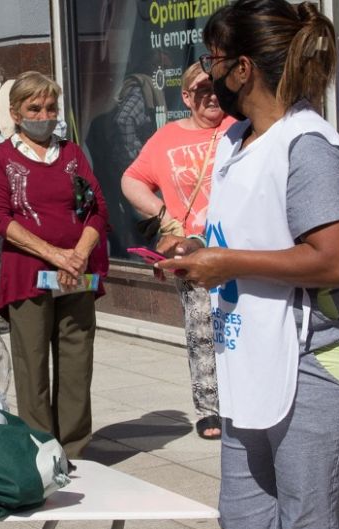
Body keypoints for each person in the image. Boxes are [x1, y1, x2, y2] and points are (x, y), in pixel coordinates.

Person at [156, 1, 339, 529]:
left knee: (308, 520)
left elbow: (336, 261)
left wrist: (226, 263)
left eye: (213, 59)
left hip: (324, 357)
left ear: (242, 68)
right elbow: (255, 232)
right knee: (243, 517)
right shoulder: (235, 140)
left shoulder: (307, 147)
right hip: (255, 352)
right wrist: (197, 248)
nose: (208, 73)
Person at [0, 71, 108, 459]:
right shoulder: (0, 157)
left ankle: (74, 449)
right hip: (28, 275)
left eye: (51, 108)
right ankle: (41, 449)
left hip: (77, 274)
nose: (44, 115)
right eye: (34, 108)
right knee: (32, 365)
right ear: (16, 113)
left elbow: (98, 209)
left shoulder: (72, 154)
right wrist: (56, 255)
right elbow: (0, 218)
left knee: (76, 363)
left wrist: (78, 255)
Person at [121, 63, 237, 440]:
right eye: (201, 90)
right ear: (186, 97)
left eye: (216, 87)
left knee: (240, 326)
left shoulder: (239, 127)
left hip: (238, 247)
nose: (211, 95)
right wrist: (165, 218)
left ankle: (244, 399)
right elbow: (131, 180)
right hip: (189, 249)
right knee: (201, 328)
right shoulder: (166, 137)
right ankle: (209, 409)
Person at [0, 54, 67, 335]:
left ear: (0, 73)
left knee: (22, 251)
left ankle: (12, 309)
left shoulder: (18, 97)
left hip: (23, 190)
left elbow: (57, 130)